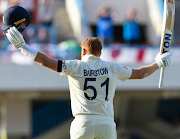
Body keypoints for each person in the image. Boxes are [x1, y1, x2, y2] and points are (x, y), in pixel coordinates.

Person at [5, 26, 173, 139]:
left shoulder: (74, 66)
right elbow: (142, 73)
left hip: (83, 122)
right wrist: (158, 63)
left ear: (83, 51)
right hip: (106, 123)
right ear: (100, 52)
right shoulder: (112, 67)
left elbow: (44, 61)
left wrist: (22, 47)